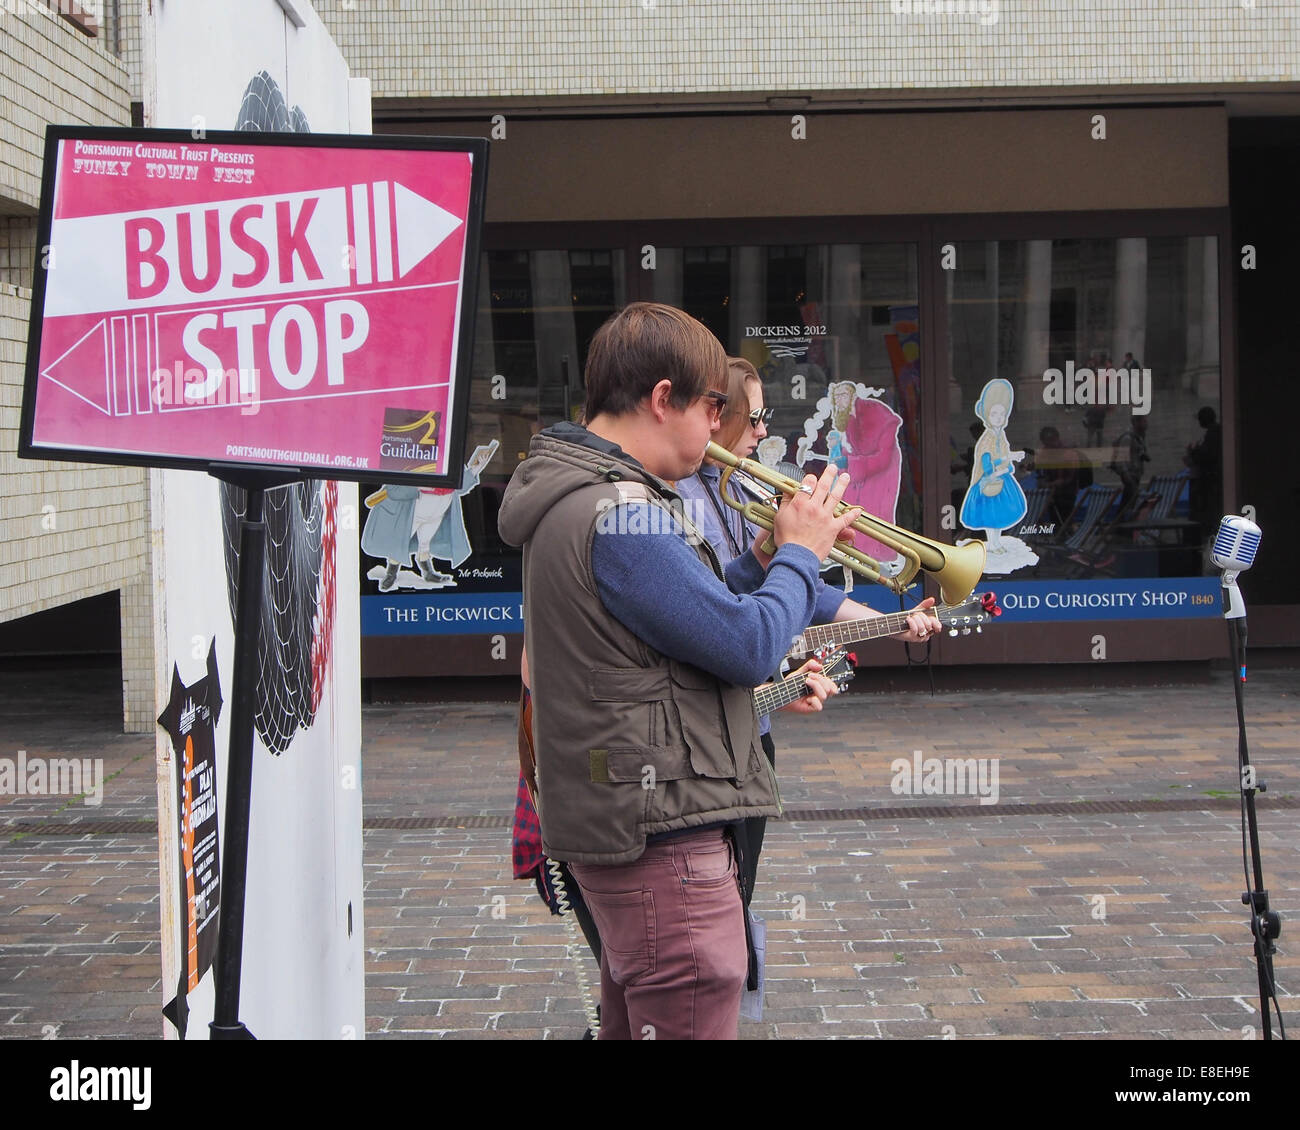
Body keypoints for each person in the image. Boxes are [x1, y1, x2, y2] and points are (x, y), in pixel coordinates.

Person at [497, 302, 939, 1040]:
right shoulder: (620, 512)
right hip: (660, 835)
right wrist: (801, 554)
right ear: (663, 399)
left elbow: (682, 620)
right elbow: (746, 646)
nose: (717, 427)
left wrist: (766, 558)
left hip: (628, 822)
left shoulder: (590, 496)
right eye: (712, 407)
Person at [676, 356, 936, 901]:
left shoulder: (742, 492)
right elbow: (706, 605)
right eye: (754, 417)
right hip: (705, 738)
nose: (764, 430)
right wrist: (787, 551)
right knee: (712, 912)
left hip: (756, 730)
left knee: (739, 896)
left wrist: (892, 623)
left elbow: (805, 590)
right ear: (716, 415)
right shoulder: (676, 499)